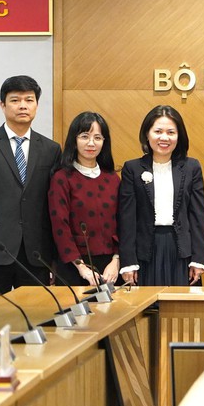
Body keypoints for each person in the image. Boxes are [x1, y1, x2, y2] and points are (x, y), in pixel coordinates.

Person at [0, 75, 61, 294]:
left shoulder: (51, 149)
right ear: (2, 105)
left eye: (29, 100)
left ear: (37, 105)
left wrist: (55, 257)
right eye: (15, 100)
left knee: (37, 313)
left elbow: (53, 207)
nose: (23, 106)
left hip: (37, 253)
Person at [118, 106, 204, 286]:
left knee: (181, 303)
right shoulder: (132, 168)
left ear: (179, 136)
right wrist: (128, 262)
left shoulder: (191, 167)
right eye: (158, 131)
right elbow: (127, 218)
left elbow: (197, 216)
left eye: (171, 132)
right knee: (147, 302)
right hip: (145, 251)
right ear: (147, 134)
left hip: (181, 250)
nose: (164, 138)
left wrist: (198, 259)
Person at [48, 111, 121, 286]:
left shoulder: (112, 178)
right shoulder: (62, 178)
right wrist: (82, 268)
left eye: (98, 137)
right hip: (74, 266)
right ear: (74, 140)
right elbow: (60, 226)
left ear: (104, 142)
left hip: (111, 268)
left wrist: (116, 260)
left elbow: (123, 222)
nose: (91, 143)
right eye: (84, 136)